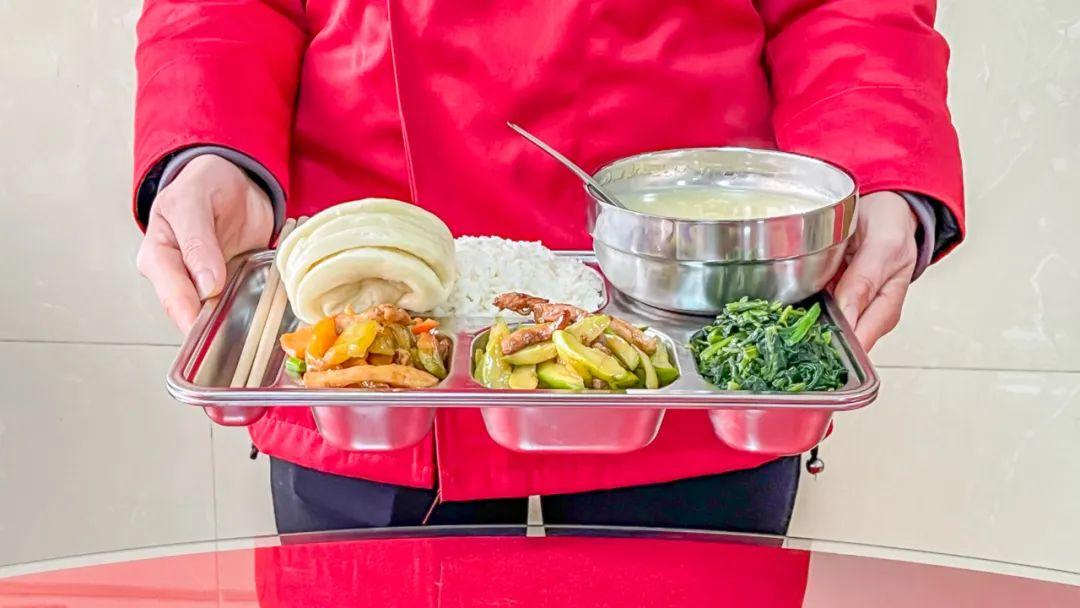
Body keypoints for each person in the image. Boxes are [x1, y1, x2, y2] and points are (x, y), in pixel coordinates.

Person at [132, 1, 964, 535]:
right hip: (370, 340)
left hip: (688, 314)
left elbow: (850, 11)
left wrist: (881, 171)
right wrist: (210, 149)